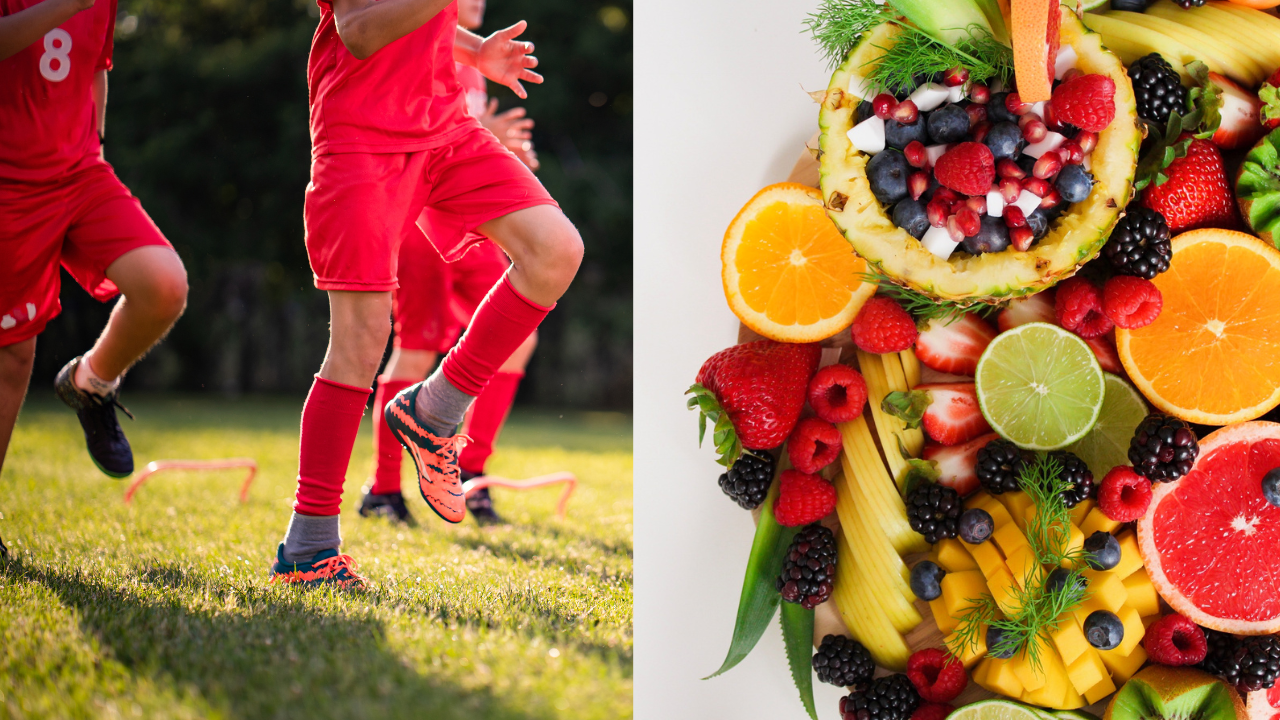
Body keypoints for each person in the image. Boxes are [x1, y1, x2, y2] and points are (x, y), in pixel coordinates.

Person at [270, 0, 583, 586]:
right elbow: (358, 30)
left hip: (445, 129)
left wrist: (472, 49)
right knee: (361, 347)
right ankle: (308, 546)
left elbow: (425, 22)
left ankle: (434, 407)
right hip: (361, 139)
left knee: (555, 250)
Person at [0, 0, 190, 558]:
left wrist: (96, 149)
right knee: (12, 354)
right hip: (9, 181)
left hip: (80, 174)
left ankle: (91, 381)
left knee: (164, 286)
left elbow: (96, 69)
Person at [359, 0, 542, 528]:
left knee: (519, 338)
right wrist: (485, 131)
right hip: (420, 215)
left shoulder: (482, 55)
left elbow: (468, 134)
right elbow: (406, 117)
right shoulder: (416, 33)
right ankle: (384, 489)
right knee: (416, 348)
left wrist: (504, 155)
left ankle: (470, 477)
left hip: (472, 216)